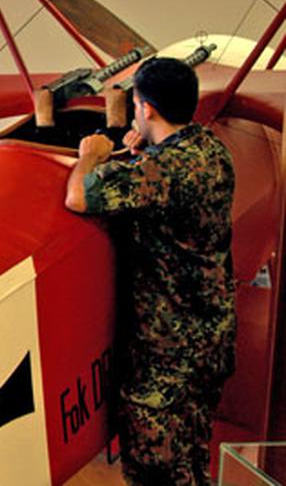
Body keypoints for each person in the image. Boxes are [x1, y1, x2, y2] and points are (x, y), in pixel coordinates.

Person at [64, 57, 236, 485]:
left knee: (154, 471)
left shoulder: (163, 172)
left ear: (146, 109)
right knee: (193, 460)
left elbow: (80, 198)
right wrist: (144, 149)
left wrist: (91, 156)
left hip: (168, 354)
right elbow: (167, 184)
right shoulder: (211, 151)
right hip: (211, 340)